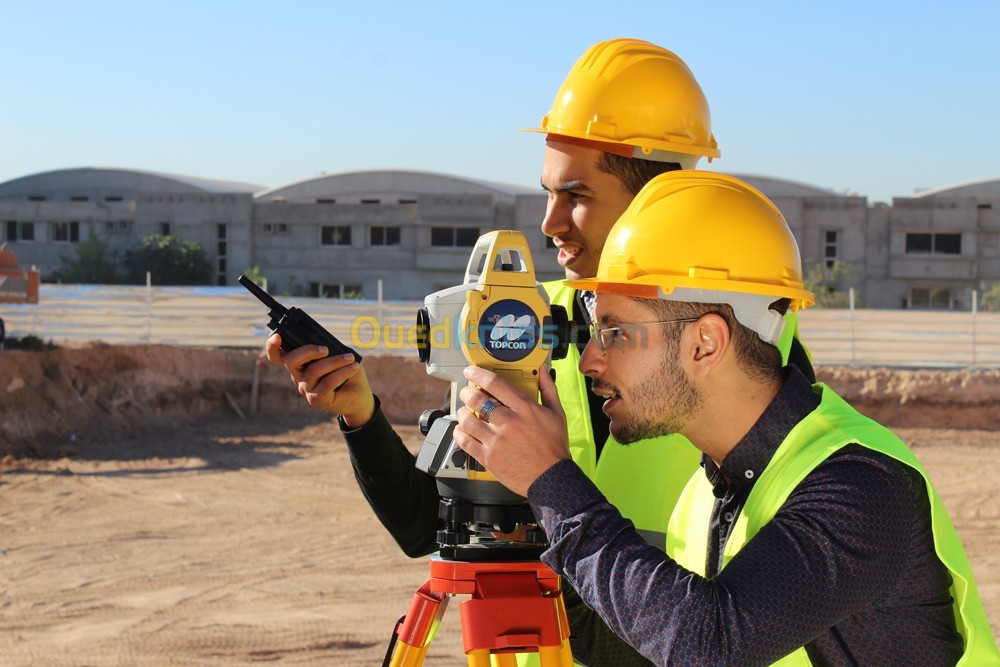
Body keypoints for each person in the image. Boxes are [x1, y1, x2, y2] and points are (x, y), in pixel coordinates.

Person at [268, 39, 813, 664]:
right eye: (548, 192)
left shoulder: (748, 345)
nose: (550, 221)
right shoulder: (520, 319)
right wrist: (361, 415)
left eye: (576, 195)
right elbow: (429, 526)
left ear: (654, 202)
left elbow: (760, 604)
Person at [452, 171, 999, 666]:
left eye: (615, 333)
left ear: (705, 343)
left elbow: (708, 646)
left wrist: (554, 482)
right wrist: (525, 500)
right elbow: (635, 646)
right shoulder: (709, 490)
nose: (591, 358)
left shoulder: (859, 487)